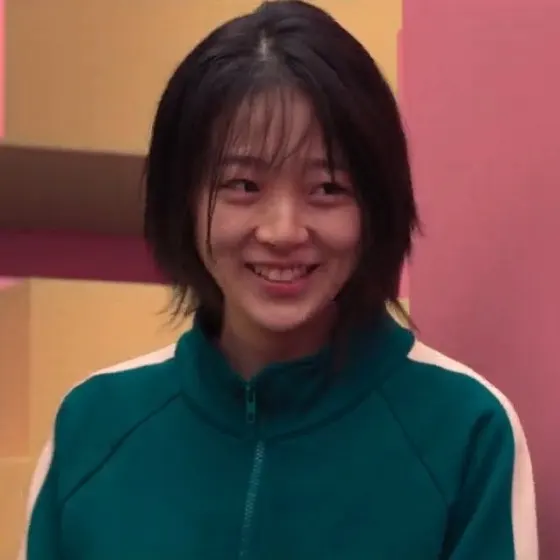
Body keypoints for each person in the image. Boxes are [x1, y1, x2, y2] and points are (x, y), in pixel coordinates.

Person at [19, 1, 538, 558]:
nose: (283, 230)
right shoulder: (93, 427)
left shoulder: (464, 430)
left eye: (327, 188)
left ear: (376, 205)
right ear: (183, 198)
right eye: (243, 185)